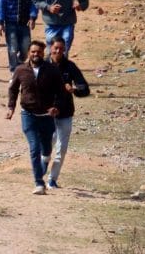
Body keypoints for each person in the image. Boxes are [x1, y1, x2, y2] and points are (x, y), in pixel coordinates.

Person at [6, 41, 63, 194]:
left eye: (38, 52)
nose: (35, 54)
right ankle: (39, 183)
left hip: (46, 116)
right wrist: (11, 107)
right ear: (28, 53)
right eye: (33, 52)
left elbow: (61, 92)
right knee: (34, 147)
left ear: (43, 53)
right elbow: (13, 90)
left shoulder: (52, 70)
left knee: (46, 148)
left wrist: (55, 106)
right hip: (28, 115)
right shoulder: (20, 70)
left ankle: (45, 159)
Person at [46, 37, 90, 188]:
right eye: (55, 48)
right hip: (46, 114)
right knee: (46, 146)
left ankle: (52, 179)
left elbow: (85, 89)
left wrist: (74, 90)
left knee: (61, 149)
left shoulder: (70, 67)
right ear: (50, 48)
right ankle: (40, 172)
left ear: (65, 50)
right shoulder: (42, 65)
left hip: (65, 113)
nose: (58, 51)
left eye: (61, 48)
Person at [0, 0, 36, 73]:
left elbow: (34, 3)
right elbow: (1, 5)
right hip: (10, 24)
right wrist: (0, 22)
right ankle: (14, 70)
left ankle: (19, 61)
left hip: (24, 23)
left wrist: (32, 17)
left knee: (26, 47)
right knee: (12, 48)